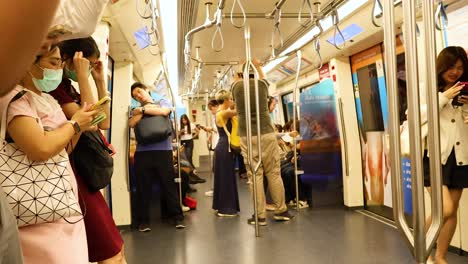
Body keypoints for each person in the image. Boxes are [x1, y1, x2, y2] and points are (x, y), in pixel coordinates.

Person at [0, 46, 97, 263]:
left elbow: (63, 148)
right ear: (28, 64)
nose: (58, 69)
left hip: (62, 198)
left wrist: (77, 126)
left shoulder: (47, 98)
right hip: (36, 206)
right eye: (53, 63)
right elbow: (40, 148)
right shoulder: (14, 98)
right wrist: (74, 124)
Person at [48, 37, 126, 264]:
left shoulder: (67, 87)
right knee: (109, 252)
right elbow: (91, 122)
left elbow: (104, 123)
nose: (90, 68)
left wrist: (100, 82)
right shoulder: (56, 88)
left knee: (114, 248)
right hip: (72, 173)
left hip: (85, 173)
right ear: (73, 60)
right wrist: (83, 75)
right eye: (87, 64)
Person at [231, 59, 293, 226]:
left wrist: (239, 71)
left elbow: (235, 86)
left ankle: (260, 215)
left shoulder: (236, 87)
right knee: (273, 172)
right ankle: (281, 210)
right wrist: (258, 66)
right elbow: (264, 80)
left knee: (255, 175)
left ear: (240, 74)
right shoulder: (262, 85)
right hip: (266, 132)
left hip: (247, 135)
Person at [425, 46, 468, 264]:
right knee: (445, 208)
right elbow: (416, 116)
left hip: (460, 156)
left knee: (453, 210)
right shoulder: (429, 89)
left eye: (460, 68)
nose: (455, 72)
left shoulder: (465, 90)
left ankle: (440, 257)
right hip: (435, 155)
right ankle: (420, 250)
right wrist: (443, 97)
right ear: (442, 66)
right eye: (451, 66)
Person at [128, 82, 185, 230]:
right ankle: (143, 221)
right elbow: (132, 123)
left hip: (163, 151)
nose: (138, 96)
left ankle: (177, 217)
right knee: (143, 188)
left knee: (168, 186)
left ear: (147, 90)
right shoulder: (135, 109)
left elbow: (165, 111)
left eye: (139, 92)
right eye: (135, 96)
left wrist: (143, 110)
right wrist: (144, 110)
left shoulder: (162, 101)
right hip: (143, 153)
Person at [212, 90, 240, 217]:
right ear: (226, 100)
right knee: (226, 178)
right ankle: (225, 208)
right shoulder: (223, 113)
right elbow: (237, 111)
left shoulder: (221, 113)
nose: (232, 101)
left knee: (226, 177)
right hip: (224, 148)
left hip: (223, 147)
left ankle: (224, 206)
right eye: (231, 99)